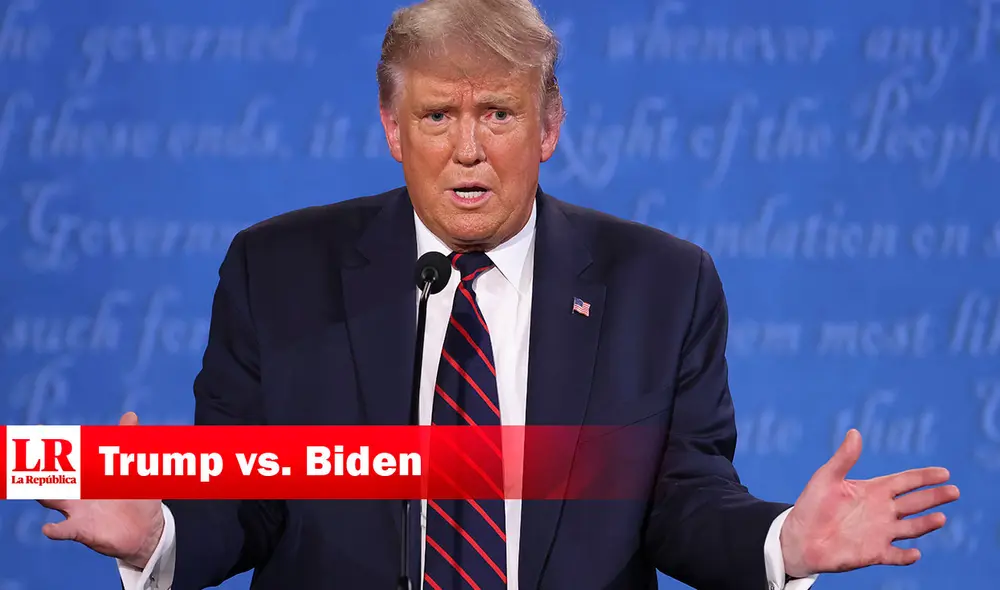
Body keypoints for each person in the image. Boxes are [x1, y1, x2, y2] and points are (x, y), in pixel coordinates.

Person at [35, 1, 960, 589]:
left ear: (549, 124)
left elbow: (682, 503)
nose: (467, 148)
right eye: (438, 116)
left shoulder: (662, 285)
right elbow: (245, 494)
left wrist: (785, 544)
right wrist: (156, 529)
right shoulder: (277, 273)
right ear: (393, 129)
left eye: (499, 114)